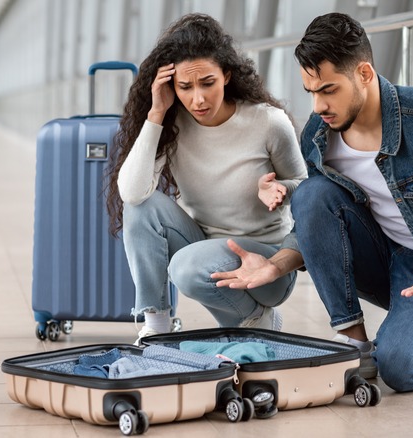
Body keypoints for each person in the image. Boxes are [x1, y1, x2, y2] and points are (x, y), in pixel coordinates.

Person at [211, 13, 413, 392]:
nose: (319, 105)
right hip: (378, 256)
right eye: (312, 92)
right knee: (312, 192)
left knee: (401, 370)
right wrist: (276, 265)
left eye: (329, 90)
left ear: (364, 74)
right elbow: (316, 220)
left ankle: (409, 331)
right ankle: (354, 344)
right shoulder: (320, 135)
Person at [105, 13, 307, 343]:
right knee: (141, 207)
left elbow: (307, 188)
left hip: (267, 261)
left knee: (185, 267)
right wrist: (156, 114)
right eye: (185, 87)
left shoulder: (269, 123)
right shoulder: (173, 124)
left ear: (226, 75)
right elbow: (131, 191)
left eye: (207, 83)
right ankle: (157, 325)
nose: (197, 99)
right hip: (201, 245)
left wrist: (280, 188)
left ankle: (257, 317)